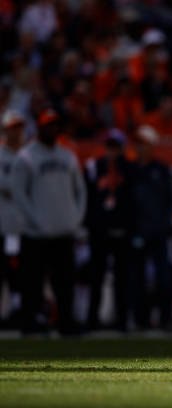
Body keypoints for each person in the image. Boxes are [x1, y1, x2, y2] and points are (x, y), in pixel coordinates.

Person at [11, 109, 87, 335]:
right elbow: (19, 193)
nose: (52, 129)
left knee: (65, 284)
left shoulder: (68, 156)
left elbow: (80, 191)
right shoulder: (26, 157)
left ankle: (66, 324)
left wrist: (76, 218)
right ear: (39, 128)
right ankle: (30, 324)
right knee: (31, 284)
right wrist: (35, 220)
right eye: (47, 125)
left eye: (55, 125)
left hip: (63, 231)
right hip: (36, 234)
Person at [84, 128, 135, 331]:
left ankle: (122, 320)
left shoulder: (129, 168)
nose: (112, 150)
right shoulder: (94, 166)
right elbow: (88, 197)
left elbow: (133, 200)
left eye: (116, 146)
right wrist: (91, 223)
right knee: (96, 276)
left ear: (122, 148)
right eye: (109, 145)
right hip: (100, 229)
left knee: (122, 278)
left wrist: (129, 226)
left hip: (122, 229)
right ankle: (92, 320)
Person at [130, 125, 172, 329]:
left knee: (163, 279)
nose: (141, 148)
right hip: (137, 231)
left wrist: (163, 225)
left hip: (158, 231)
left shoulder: (162, 170)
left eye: (144, 144)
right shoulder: (130, 170)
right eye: (138, 143)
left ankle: (166, 318)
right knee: (138, 278)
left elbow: (170, 201)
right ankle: (141, 320)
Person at [0, 110, 26, 326]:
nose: (16, 132)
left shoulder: (29, 154)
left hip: (24, 226)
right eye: (12, 127)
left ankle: (22, 312)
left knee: (22, 274)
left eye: (19, 127)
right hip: (3, 224)